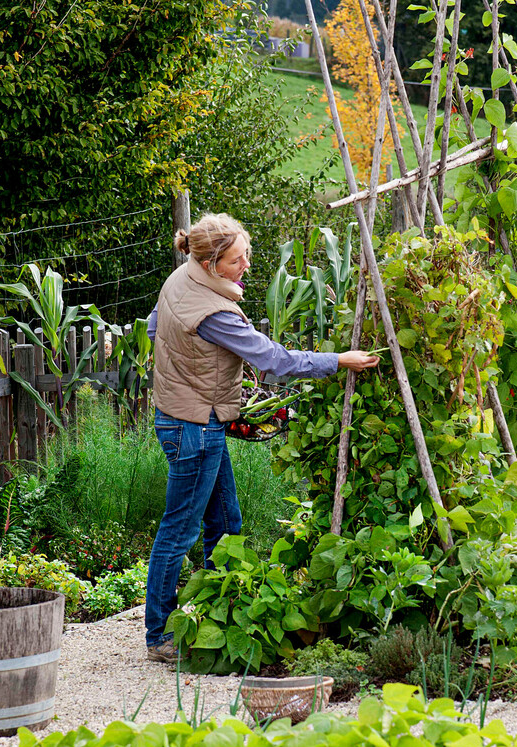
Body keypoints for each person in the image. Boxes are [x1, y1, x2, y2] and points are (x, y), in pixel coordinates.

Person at [145, 212, 379, 663]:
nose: (246, 266)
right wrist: (338, 360)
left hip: (185, 417)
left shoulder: (181, 278)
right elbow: (274, 360)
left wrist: (194, 371)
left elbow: (157, 329)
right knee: (180, 532)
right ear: (212, 263)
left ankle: (216, 617)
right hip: (195, 427)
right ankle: (159, 636)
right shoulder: (213, 312)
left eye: (246, 255)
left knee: (226, 523)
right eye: (237, 260)